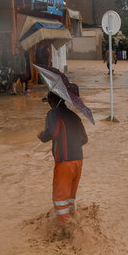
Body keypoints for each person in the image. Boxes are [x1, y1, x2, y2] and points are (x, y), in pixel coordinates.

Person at [38, 91, 89, 234]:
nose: (48, 104)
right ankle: (73, 219)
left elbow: (52, 132)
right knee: (70, 197)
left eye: (48, 101)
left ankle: (66, 232)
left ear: (52, 101)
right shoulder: (75, 116)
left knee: (60, 199)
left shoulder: (53, 114)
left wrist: (42, 136)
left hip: (64, 162)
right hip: (78, 160)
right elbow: (85, 139)